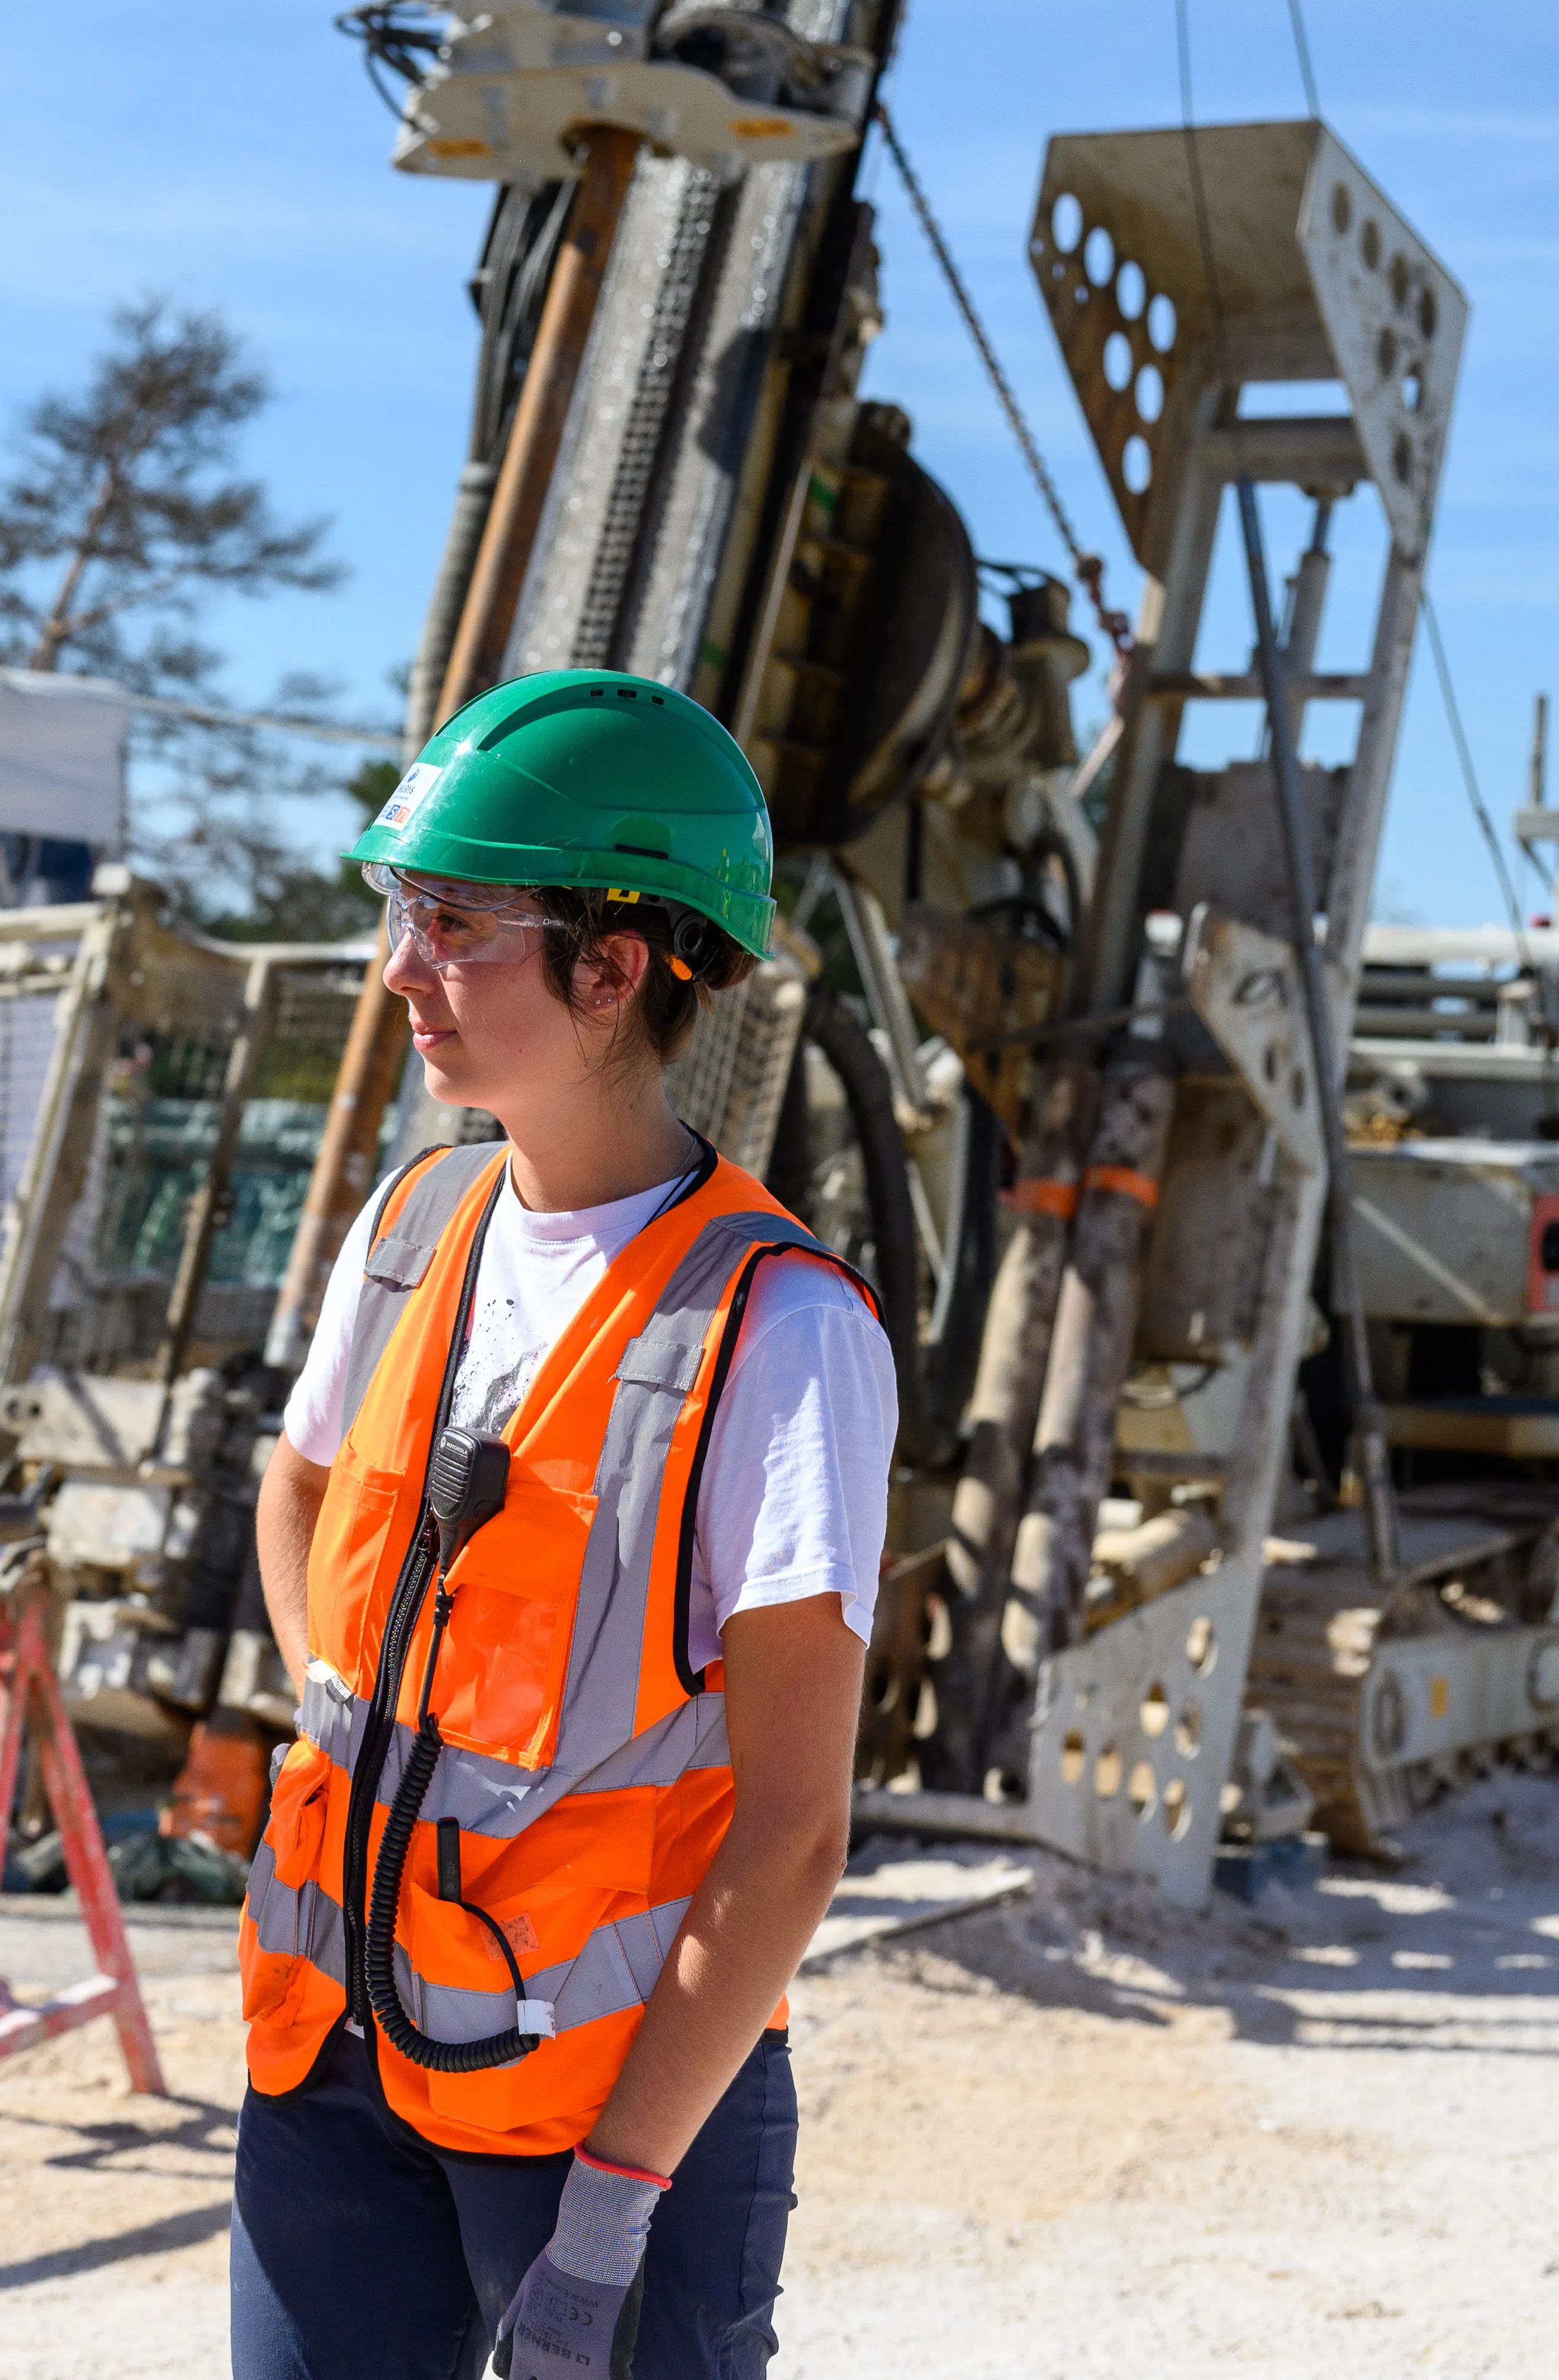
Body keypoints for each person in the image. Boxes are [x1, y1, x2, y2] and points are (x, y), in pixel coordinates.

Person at [233, 671, 893, 2379]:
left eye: (453, 924)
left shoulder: (780, 1332)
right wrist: (322, 1672)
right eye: (402, 913)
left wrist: (613, 2213)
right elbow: (297, 1485)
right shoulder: (417, 1219)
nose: (400, 972)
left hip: (605, 2121)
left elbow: (795, 1833)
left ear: (613, 968)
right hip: (338, 2068)